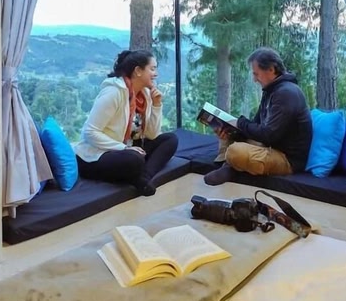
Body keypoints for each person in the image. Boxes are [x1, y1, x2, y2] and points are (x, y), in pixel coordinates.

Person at [74, 49, 178, 196]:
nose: (156, 74)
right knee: (134, 159)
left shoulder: (145, 94)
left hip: (126, 147)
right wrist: (123, 148)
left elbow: (152, 134)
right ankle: (138, 176)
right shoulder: (113, 93)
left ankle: (143, 178)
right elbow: (90, 132)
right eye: (152, 69)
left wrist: (156, 104)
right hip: (97, 154)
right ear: (138, 71)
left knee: (170, 139)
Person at [204, 47, 312, 186]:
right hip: (268, 145)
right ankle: (231, 165)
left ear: (271, 69)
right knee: (230, 134)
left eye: (256, 74)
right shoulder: (271, 91)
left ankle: (230, 166)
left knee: (235, 151)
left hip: (286, 159)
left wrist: (240, 123)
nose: (255, 79)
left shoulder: (286, 93)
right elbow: (256, 124)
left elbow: (269, 135)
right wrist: (232, 129)